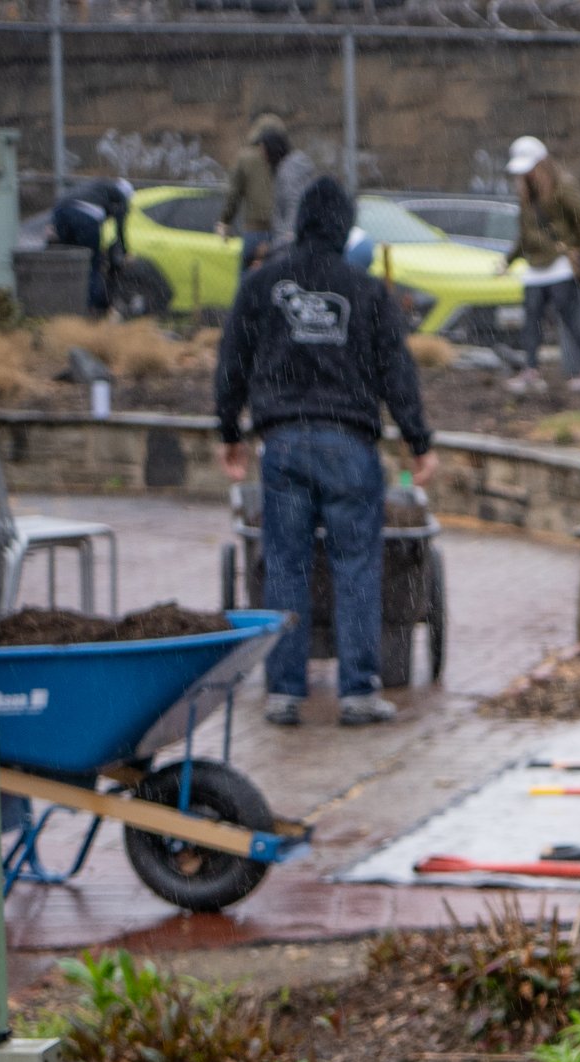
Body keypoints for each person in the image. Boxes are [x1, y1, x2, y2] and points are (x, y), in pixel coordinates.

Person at [214, 177, 437, 729]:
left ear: (299, 225)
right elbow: (396, 371)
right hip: (349, 444)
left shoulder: (262, 284)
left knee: (284, 565)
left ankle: (285, 693)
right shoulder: (365, 292)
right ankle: (358, 692)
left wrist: (229, 432)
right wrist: (417, 440)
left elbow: (232, 361)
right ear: (344, 229)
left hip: (283, 443)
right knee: (356, 566)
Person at [501, 135, 580, 397]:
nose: (525, 173)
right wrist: (508, 260)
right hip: (534, 267)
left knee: (570, 315)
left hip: (561, 263)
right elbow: (524, 235)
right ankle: (530, 371)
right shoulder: (526, 194)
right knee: (531, 319)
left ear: (541, 163)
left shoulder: (563, 186)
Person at [45, 176, 132, 316]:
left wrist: (54, 228)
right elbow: (120, 225)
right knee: (91, 264)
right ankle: (91, 308)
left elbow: (64, 200)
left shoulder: (95, 184)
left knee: (66, 262)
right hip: (86, 217)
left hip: (60, 211)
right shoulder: (121, 195)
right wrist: (125, 251)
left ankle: (59, 305)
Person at [217, 114, 288, 271]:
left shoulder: (245, 159)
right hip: (280, 233)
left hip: (254, 230)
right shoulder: (286, 159)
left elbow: (233, 195)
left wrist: (225, 221)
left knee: (247, 283)